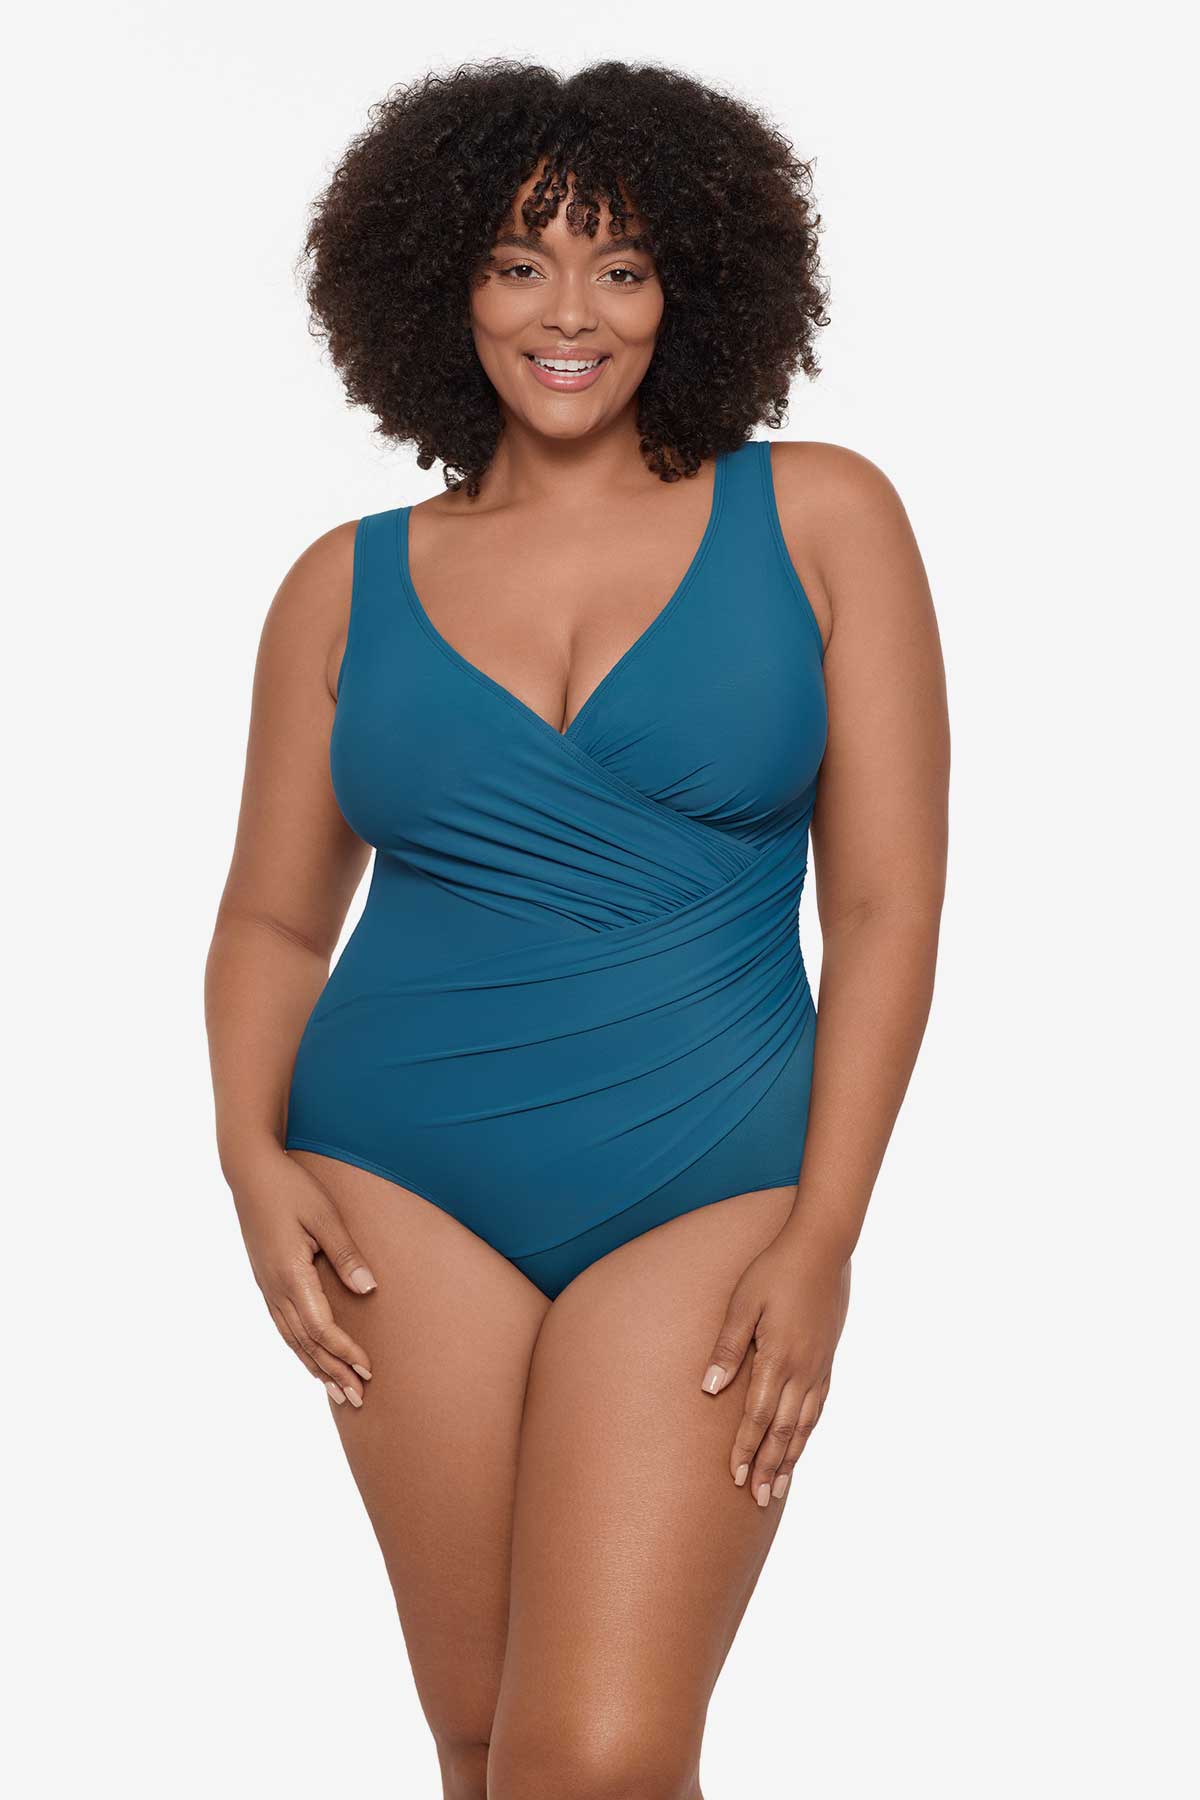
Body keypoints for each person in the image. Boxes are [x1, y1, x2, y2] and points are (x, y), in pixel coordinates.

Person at [204, 57, 950, 1800]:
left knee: (598, 1754)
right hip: (395, 1186)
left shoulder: (822, 515)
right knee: (482, 1738)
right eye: (518, 261)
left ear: (691, 287)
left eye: (621, 266)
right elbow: (271, 919)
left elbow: (889, 905)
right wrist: (247, 1157)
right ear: (439, 285)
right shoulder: (340, 581)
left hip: (711, 1179)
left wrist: (828, 1233)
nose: (569, 313)